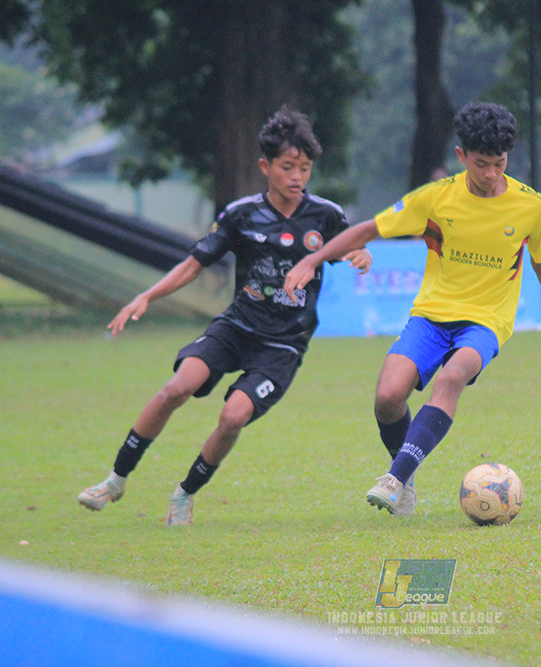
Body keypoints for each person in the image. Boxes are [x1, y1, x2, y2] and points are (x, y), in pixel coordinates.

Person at [77, 106, 372, 525]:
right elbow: (194, 263)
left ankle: (184, 493)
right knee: (176, 389)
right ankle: (114, 481)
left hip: (283, 345)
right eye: (288, 167)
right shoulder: (241, 215)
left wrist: (360, 254)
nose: (297, 177)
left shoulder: (325, 215)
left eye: (305, 169)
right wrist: (148, 295)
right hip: (236, 328)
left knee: (233, 415)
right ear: (265, 166)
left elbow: (350, 246)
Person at [283, 101, 541, 517]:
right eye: (481, 163)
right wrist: (310, 261)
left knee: (452, 376)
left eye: (500, 163)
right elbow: (369, 229)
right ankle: (407, 472)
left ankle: (395, 477)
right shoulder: (436, 198)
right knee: (387, 397)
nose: (491, 174)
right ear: (461, 156)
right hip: (432, 316)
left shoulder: (530, 206)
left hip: (487, 321)